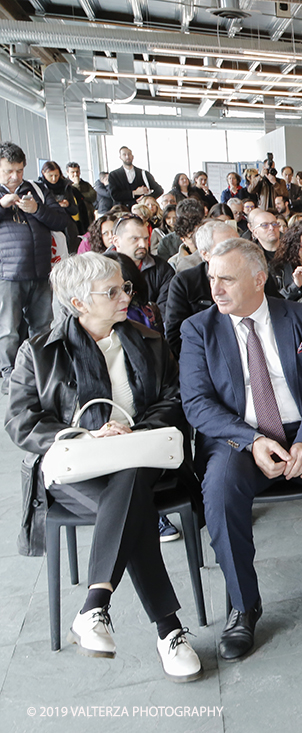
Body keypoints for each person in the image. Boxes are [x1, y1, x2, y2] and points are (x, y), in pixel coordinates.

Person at [180, 237, 302, 660]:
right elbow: (196, 403)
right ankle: (243, 606)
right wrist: (251, 441)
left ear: (258, 279)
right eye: (212, 278)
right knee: (218, 489)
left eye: (226, 279)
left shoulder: (301, 317)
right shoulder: (199, 329)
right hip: (242, 437)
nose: (215, 289)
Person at [6, 252, 201, 679]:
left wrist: (133, 431)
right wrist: (85, 435)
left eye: (125, 288)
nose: (124, 297)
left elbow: (175, 398)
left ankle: (96, 607)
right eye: (112, 291)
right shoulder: (38, 351)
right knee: (132, 503)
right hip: (77, 468)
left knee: (129, 477)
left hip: (144, 456)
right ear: (78, 302)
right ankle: (169, 631)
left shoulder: (147, 340)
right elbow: (20, 421)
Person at [163, 220, 245, 355]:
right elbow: (175, 336)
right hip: (206, 355)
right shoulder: (185, 282)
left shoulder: (251, 273)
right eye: (226, 247)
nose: (235, 251)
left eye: (238, 244)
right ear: (205, 254)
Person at [111, 215, 174, 317]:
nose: (143, 245)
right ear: (116, 241)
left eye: (145, 239)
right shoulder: (101, 270)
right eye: (135, 239)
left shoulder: (162, 269)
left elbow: (165, 310)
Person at [38, 161, 81, 254]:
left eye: (56, 175)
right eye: (50, 175)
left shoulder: (66, 186)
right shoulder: (39, 188)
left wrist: (67, 205)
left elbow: (75, 210)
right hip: (49, 228)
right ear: (43, 173)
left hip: (68, 229)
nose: (54, 179)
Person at [65, 162, 97, 234]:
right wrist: (76, 185)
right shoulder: (66, 186)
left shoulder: (85, 184)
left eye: (77, 172)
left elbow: (93, 195)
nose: (75, 174)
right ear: (67, 172)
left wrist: (81, 196)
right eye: (72, 172)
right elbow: (74, 197)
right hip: (75, 219)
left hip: (89, 217)